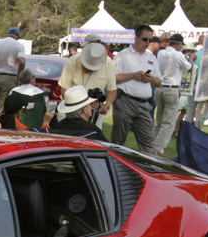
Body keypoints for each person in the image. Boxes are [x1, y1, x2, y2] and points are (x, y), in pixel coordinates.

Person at [111, 24, 161, 152]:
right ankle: (114, 164)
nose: (148, 43)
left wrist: (151, 78)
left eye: (150, 40)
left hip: (144, 103)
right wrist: (133, 75)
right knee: (118, 140)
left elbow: (159, 81)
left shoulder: (151, 57)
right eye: (145, 39)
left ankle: (150, 168)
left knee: (148, 142)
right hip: (125, 101)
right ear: (136, 37)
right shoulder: (123, 55)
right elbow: (113, 78)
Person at [58, 39, 116, 126]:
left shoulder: (108, 63)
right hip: (70, 110)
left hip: (94, 112)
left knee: (93, 137)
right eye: (87, 65)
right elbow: (64, 91)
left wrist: (106, 105)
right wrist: (83, 104)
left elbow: (112, 90)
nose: (88, 69)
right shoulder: (72, 61)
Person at [153, 33, 192, 156]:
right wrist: (190, 58)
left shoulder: (161, 53)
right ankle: (159, 147)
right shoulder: (178, 54)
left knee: (159, 119)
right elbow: (189, 68)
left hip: (160, 87)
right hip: (171, 88)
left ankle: (152, 144)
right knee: (169, 121)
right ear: (179, 44)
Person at [0, 26, 26, 112]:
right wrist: (18, 76)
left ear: (8, 34)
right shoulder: (18, 45)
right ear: (17, 36)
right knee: (4, 104)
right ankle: (2, 122)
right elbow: (22, 62)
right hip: (9, 76)